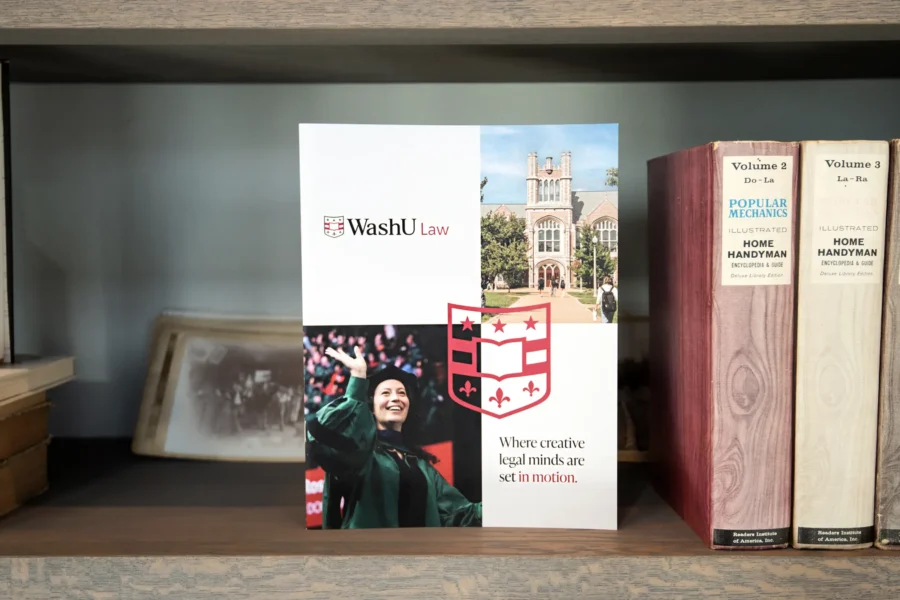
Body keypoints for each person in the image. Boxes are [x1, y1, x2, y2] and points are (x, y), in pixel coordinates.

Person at [307, 345, 482, 528]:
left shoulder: (421, 466)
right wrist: (358, 380)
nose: (396, 398)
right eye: (385, 393)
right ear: (372, 408)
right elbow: (321, 433)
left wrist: (499, 507)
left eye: (401, 393)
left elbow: (460, 514)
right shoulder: (360, 455)